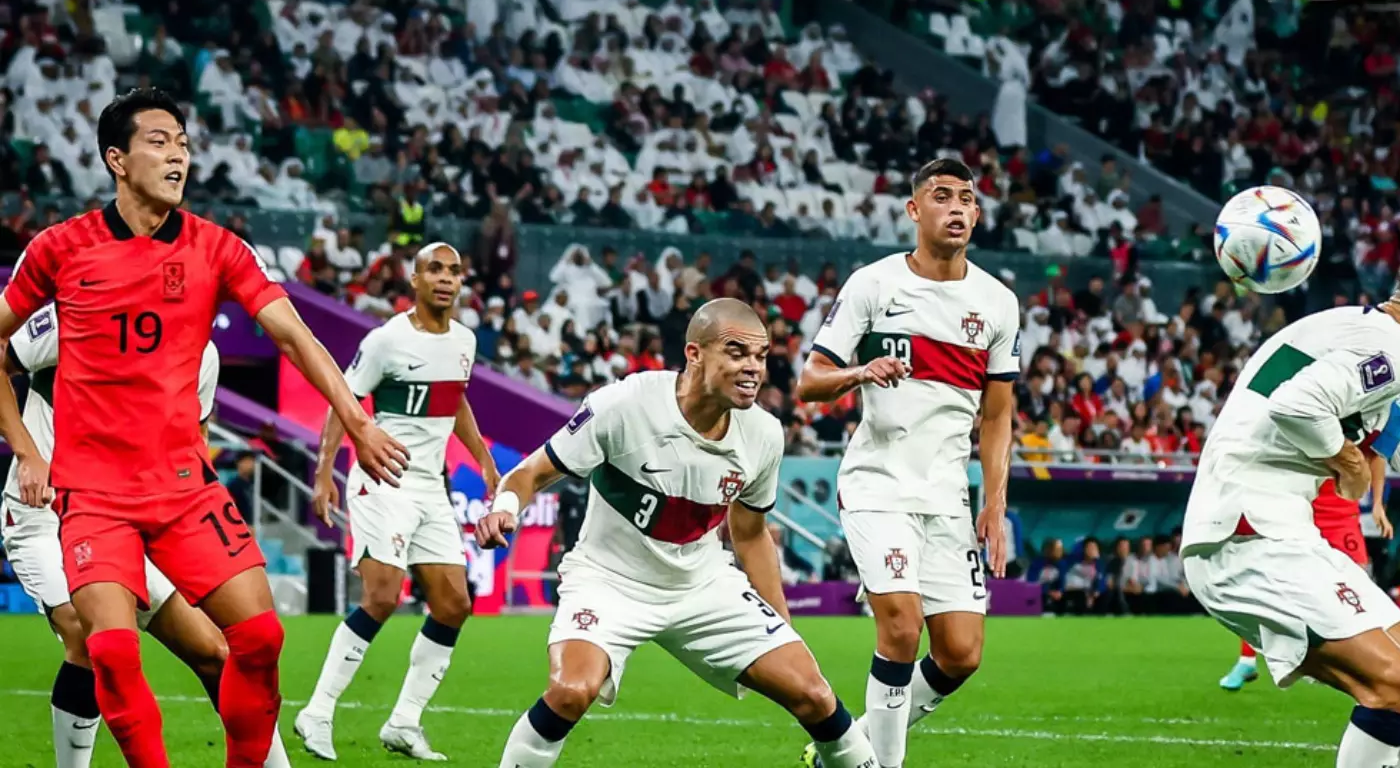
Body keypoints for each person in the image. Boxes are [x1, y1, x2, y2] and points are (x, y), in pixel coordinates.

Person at [0, 88, 408, 768]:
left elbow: (293, 335)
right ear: (117, 160)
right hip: (92, 496)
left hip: (183, 492)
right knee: (107, 647)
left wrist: (357, 421)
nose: (178, 156)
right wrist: (24, 449)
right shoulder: (61, 250)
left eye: (184, 144)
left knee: (259, 639)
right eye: (159, 142)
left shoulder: (216, 250)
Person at [473, 299, 877, 768]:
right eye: (736, 352)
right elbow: (530, 473)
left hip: (702, 584)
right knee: (569, 691)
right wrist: (504, 509)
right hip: (609, 581)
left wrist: (782, 628)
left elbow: (750, 535)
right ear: (694, 354)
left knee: (814, 695)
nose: (753, 367)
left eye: (761, 356)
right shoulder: (624, 405)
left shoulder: (764, 434)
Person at [1182, 250, 1400, 768]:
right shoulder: (1391, 349)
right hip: (1246, 535)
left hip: (1280, 533)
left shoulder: (1357, 340)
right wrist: (1349, 464)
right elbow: (1295, 405)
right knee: (1394, 681)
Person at [0, 303, 293, 768]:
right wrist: (26, 453)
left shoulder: (203, 354)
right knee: (86, 633)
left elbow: (194, 447)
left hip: (126, 520)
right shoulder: (78, 311)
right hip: (43, 515)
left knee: (214, 652)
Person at [797, 157, 1020, 768]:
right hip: (878, 485)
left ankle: (846, 747)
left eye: (966, 198)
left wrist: (994, 504)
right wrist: (858, 372)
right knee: (900, 627)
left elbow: (997, 416)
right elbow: (809, 381)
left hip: (946, 496)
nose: (956, 208)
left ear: (978, 214)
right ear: (914, 210)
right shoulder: (873, 285)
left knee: (961, 653)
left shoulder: (998, 304)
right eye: (941, 196)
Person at [297, 241, 495, 761]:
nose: (446, 278)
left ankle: (404, 723)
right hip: (382, 479)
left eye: (454, 271)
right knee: (382, 595)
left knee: (453, 605)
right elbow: (343, 402)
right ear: (415, 279)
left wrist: (483, 459)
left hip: (431, 485)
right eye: (435, 269)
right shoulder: (386, 341)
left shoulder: (465, 341)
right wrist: (324, 473)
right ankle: (317, 712)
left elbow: (455, 401)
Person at [1219, 437, 1397, 691]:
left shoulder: (1360, 420)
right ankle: (1247, 659)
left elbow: (1377, 455)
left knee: (1359, 590)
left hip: (1342, 517)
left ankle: (1368, 657)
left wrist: (1378, 504)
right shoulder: (1302, 418)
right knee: (1271, 584)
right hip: (1301, 513)